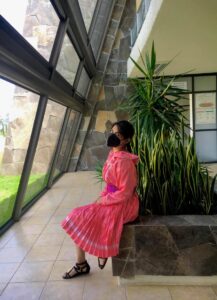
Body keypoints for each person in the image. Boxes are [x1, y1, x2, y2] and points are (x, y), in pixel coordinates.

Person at [61, 120, 139, 279]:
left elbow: (125, 193)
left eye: (117, 134)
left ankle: (93, 256)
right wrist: (102, 197)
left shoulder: (125, 162)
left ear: (126, 140)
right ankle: (82, 264)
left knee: (82, 216)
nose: (112, 136)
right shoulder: (113, 155)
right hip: (112, 199)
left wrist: (103, 201)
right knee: (80, 217)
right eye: (112, 132)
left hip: (124, 204)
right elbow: (110, 183)